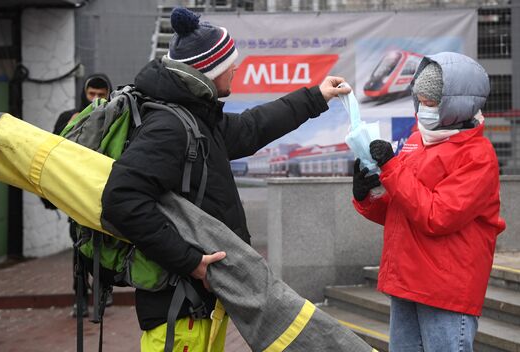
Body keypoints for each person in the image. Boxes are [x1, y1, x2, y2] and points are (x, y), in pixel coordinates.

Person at [100, 7, 351, 352]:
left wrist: (315, 97)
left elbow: (252, 126)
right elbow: (121, 200)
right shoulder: (170, 128)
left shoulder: (197, 119)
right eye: (230, 62)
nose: (237, 67)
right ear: (208, 70)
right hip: (179, 309)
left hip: (201, 304)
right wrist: (189, 262)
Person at [352, 52, 506, 351]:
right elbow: (403, 209)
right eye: (420, 100)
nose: (423, 109)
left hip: (445, 289)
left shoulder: (478, 155)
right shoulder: (418, 140)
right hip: (407, 282)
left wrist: (393, 169)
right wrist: (366, 196)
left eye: (431, 103)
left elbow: (437, 215)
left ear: (456, 104)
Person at [41, 73, 112, 317]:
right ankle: (80, 297)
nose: (95, 99)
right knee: (79, 246)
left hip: (104, 191)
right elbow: (52, 152)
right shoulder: (69, 117)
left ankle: (104, 288)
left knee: (106, 245)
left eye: (101, 95)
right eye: (91, 94)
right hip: (75, 192)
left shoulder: (116, 115)